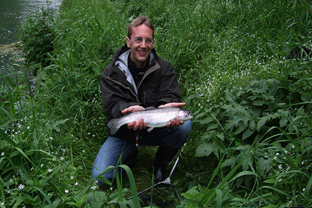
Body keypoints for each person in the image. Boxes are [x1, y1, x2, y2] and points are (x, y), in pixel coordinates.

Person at [91, 16, 192, 188]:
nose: (143, 45)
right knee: (102, 179)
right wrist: (129, 110)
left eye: (148, 40)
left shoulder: (165, 68)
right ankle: (129, 155)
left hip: (155, 128)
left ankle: (159, 165)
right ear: (128, 41)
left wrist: (169, 105)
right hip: (125, 132)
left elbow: (171, 96)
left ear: (153, 42)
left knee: (184, 125)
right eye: (138, 40)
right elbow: (111, 108)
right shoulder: (111, 73)